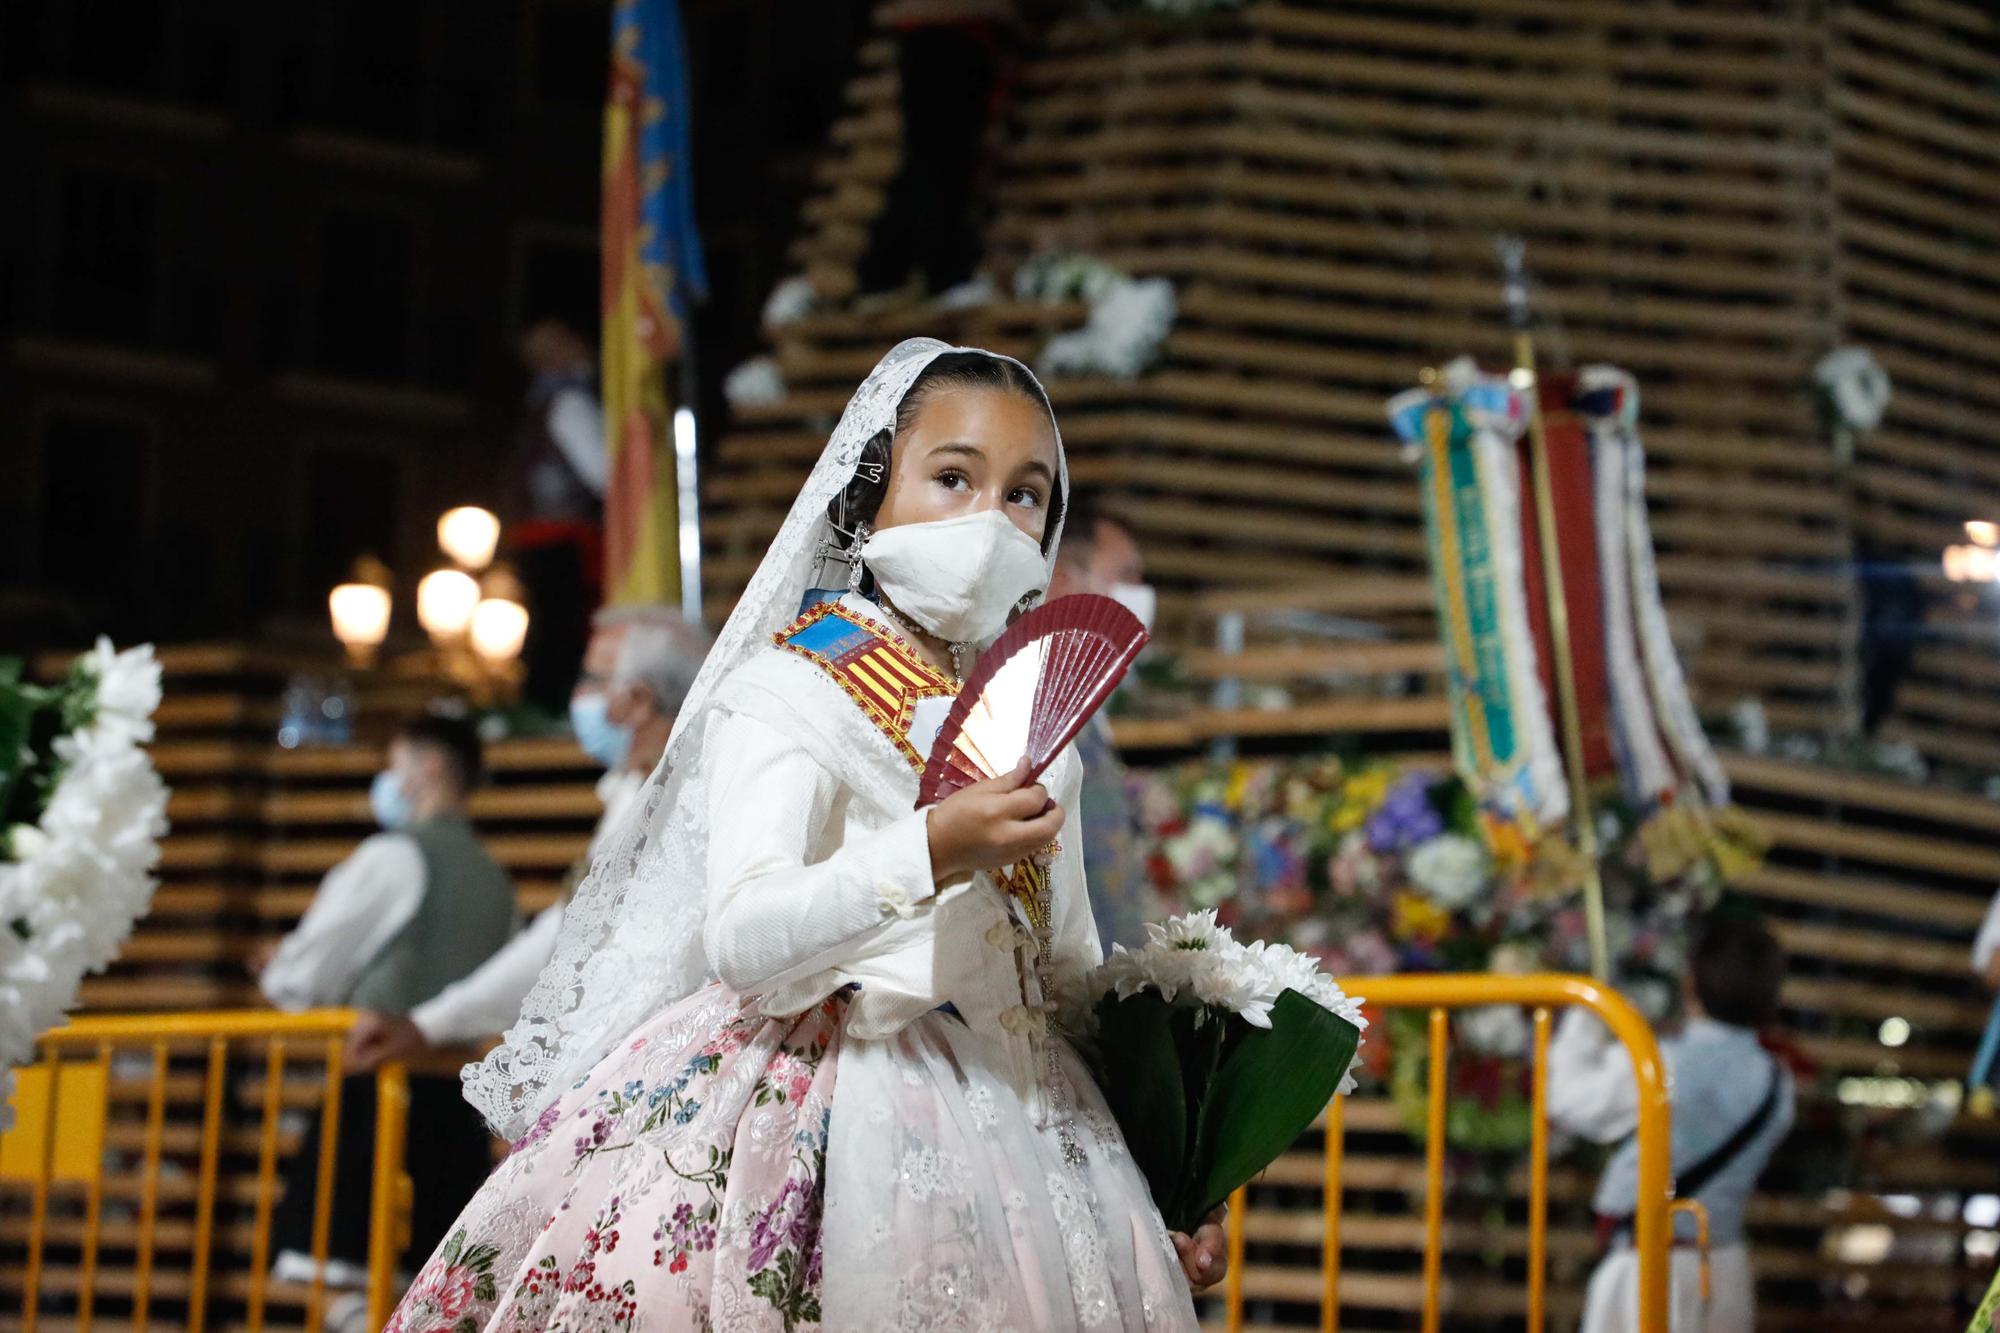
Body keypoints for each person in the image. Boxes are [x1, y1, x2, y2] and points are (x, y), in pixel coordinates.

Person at [389, 339, 1224, 1331]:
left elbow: (1067, 969)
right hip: (820, 1113)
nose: (991, 521)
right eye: (952, 476)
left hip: (1037, 1123)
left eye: (1024, 496)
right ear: (869, 495)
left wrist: (1163, 1172)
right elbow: (742, 936)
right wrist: (930, 846)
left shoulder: (1041, 724)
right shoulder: (792, 684)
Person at [346, 606, 711, 1070]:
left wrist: (430, 1024)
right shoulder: (629, 793)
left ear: (638, 700)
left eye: (592, 679)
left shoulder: (693, 802)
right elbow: (566, 934)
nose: (578, 696)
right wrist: (429, 1024)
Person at [254, 714, 518, 1294]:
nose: (387, 781)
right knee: (436, 1281)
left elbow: (304, 975)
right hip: (459, 1103)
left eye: (393, 765)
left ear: (428, 767)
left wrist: (280, 968)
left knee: (336, 1271)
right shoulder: (495, 879)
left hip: (378, 1091)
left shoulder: (393, 855)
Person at [1549, 913, 1797, 1333]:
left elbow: (1569, 1100)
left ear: (1690, 984)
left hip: (1648, 1268)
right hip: (1724, 1263)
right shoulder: (1779, 1082)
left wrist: (1589, 1012)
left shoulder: (1659, 1061)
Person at [1044, 490, 1158, 953]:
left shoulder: (1085, 706)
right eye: (1126, 576)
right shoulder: (1038, 710)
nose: (1142, 595)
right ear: (1063, 582)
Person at [511, 318, 609, 712]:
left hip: (540, 536)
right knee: (565, 630)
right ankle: (556, 704)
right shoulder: (569, 401)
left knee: (550, 627)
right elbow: (602, 472)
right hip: (565, 537)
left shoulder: (539, 403)